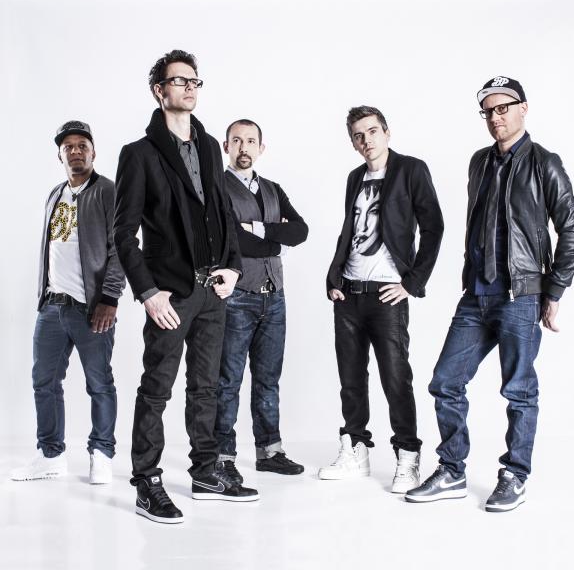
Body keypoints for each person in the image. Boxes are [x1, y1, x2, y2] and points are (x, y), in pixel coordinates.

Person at [405, 76, 574, 512]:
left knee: (519, 391)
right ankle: (452, 470)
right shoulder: (479, 162)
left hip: (521, 295)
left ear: (524, 108)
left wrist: (554, 290)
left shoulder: (544, 163)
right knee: (445, 382)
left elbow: (573, 231)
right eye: (488, 111)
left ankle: (515, 475)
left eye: (503, 107)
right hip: (476, 295)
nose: (495, 117)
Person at [114, 50, 258, 525]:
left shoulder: (211, 146)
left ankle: (205, 471)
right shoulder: (139, 153)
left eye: (195, 81)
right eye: (180, 81)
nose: (190, 88)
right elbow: (123, 234)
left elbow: (223, 212)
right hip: (170, 294)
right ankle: (146, 481)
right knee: (157, 387)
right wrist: (148, 293)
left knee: (206, 388)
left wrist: (233, 267)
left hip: (213, 289)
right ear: (160, 91)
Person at [319, 106, 444, 493]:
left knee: (395, 378)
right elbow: (350, 231)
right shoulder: (354, 177)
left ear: (387, 133)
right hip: (349, 292)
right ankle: (355, 449)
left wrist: (412, 282)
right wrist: (334, 277)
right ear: (352, 142)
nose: (366, 140)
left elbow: (434, 227)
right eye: (358, 135)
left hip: (388, 295)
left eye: (372, 131)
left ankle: (408, 455)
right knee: (350, 379)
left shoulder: (411, 170)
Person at [11, 120, 125, 485]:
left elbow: (121, 248)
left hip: (91, 308)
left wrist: (109, 297)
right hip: (51, 306)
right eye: (68, 147)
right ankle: (51, 456)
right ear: (59, 155)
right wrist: (44, 297)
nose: (75, 151)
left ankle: (102, 454)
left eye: (82, 146)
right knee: (43, 382)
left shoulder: (108, 191)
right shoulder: (55, 194)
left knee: (99, 383)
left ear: (93, 152)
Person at [215, 119, 308, 484]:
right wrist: (276, 240)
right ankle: (222, 456)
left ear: (261, 148)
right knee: (228, 381)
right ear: (226, 146)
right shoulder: (217, 187)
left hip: (275, 297)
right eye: (237, 140)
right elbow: (230, 240)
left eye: (251, 141)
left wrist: (258, 231)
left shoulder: (273, 188)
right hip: (236, 297)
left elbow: (300, 231)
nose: (244, 147)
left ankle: (270, 452)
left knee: (268, 379)